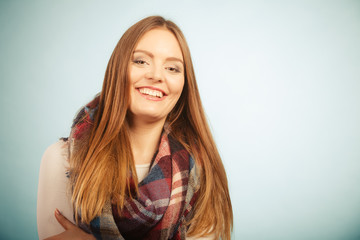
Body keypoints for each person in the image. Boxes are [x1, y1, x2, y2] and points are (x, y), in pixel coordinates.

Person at [37, 16, 233, 240]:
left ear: (185, 85)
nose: (156, 76)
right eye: (141, 61)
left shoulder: (200, 170)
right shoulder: (62, 159)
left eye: (172, 68)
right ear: (118, 69)